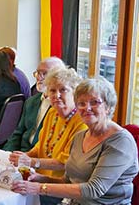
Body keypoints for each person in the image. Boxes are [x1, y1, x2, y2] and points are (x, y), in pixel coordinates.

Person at [11, 77, 139, 205]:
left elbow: (94, 189)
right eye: (81, 103)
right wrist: (39, 179)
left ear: (108, 107)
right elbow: (68, 181)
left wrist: (39, 188)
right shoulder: (79, 137)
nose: (87, 108)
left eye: (94, 102)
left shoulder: (121, 142)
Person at [8, 68, 87, 204]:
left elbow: (64, 163)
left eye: (63, 90)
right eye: (52, 90)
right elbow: (40, 146)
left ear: (74, 92)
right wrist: (25, 156)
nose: (56, 95)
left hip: (58, 188)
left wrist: (31, 162)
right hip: (38, 177)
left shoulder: (81, 122)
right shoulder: (52, 113)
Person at [3, 57, 66, 152]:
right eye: (37, 73)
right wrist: (6, 154)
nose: (38, 77)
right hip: (21, 155)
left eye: (44, 73)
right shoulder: (31, 102)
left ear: (59, 77)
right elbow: (17, 134)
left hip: (41, 158)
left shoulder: (61, 108)